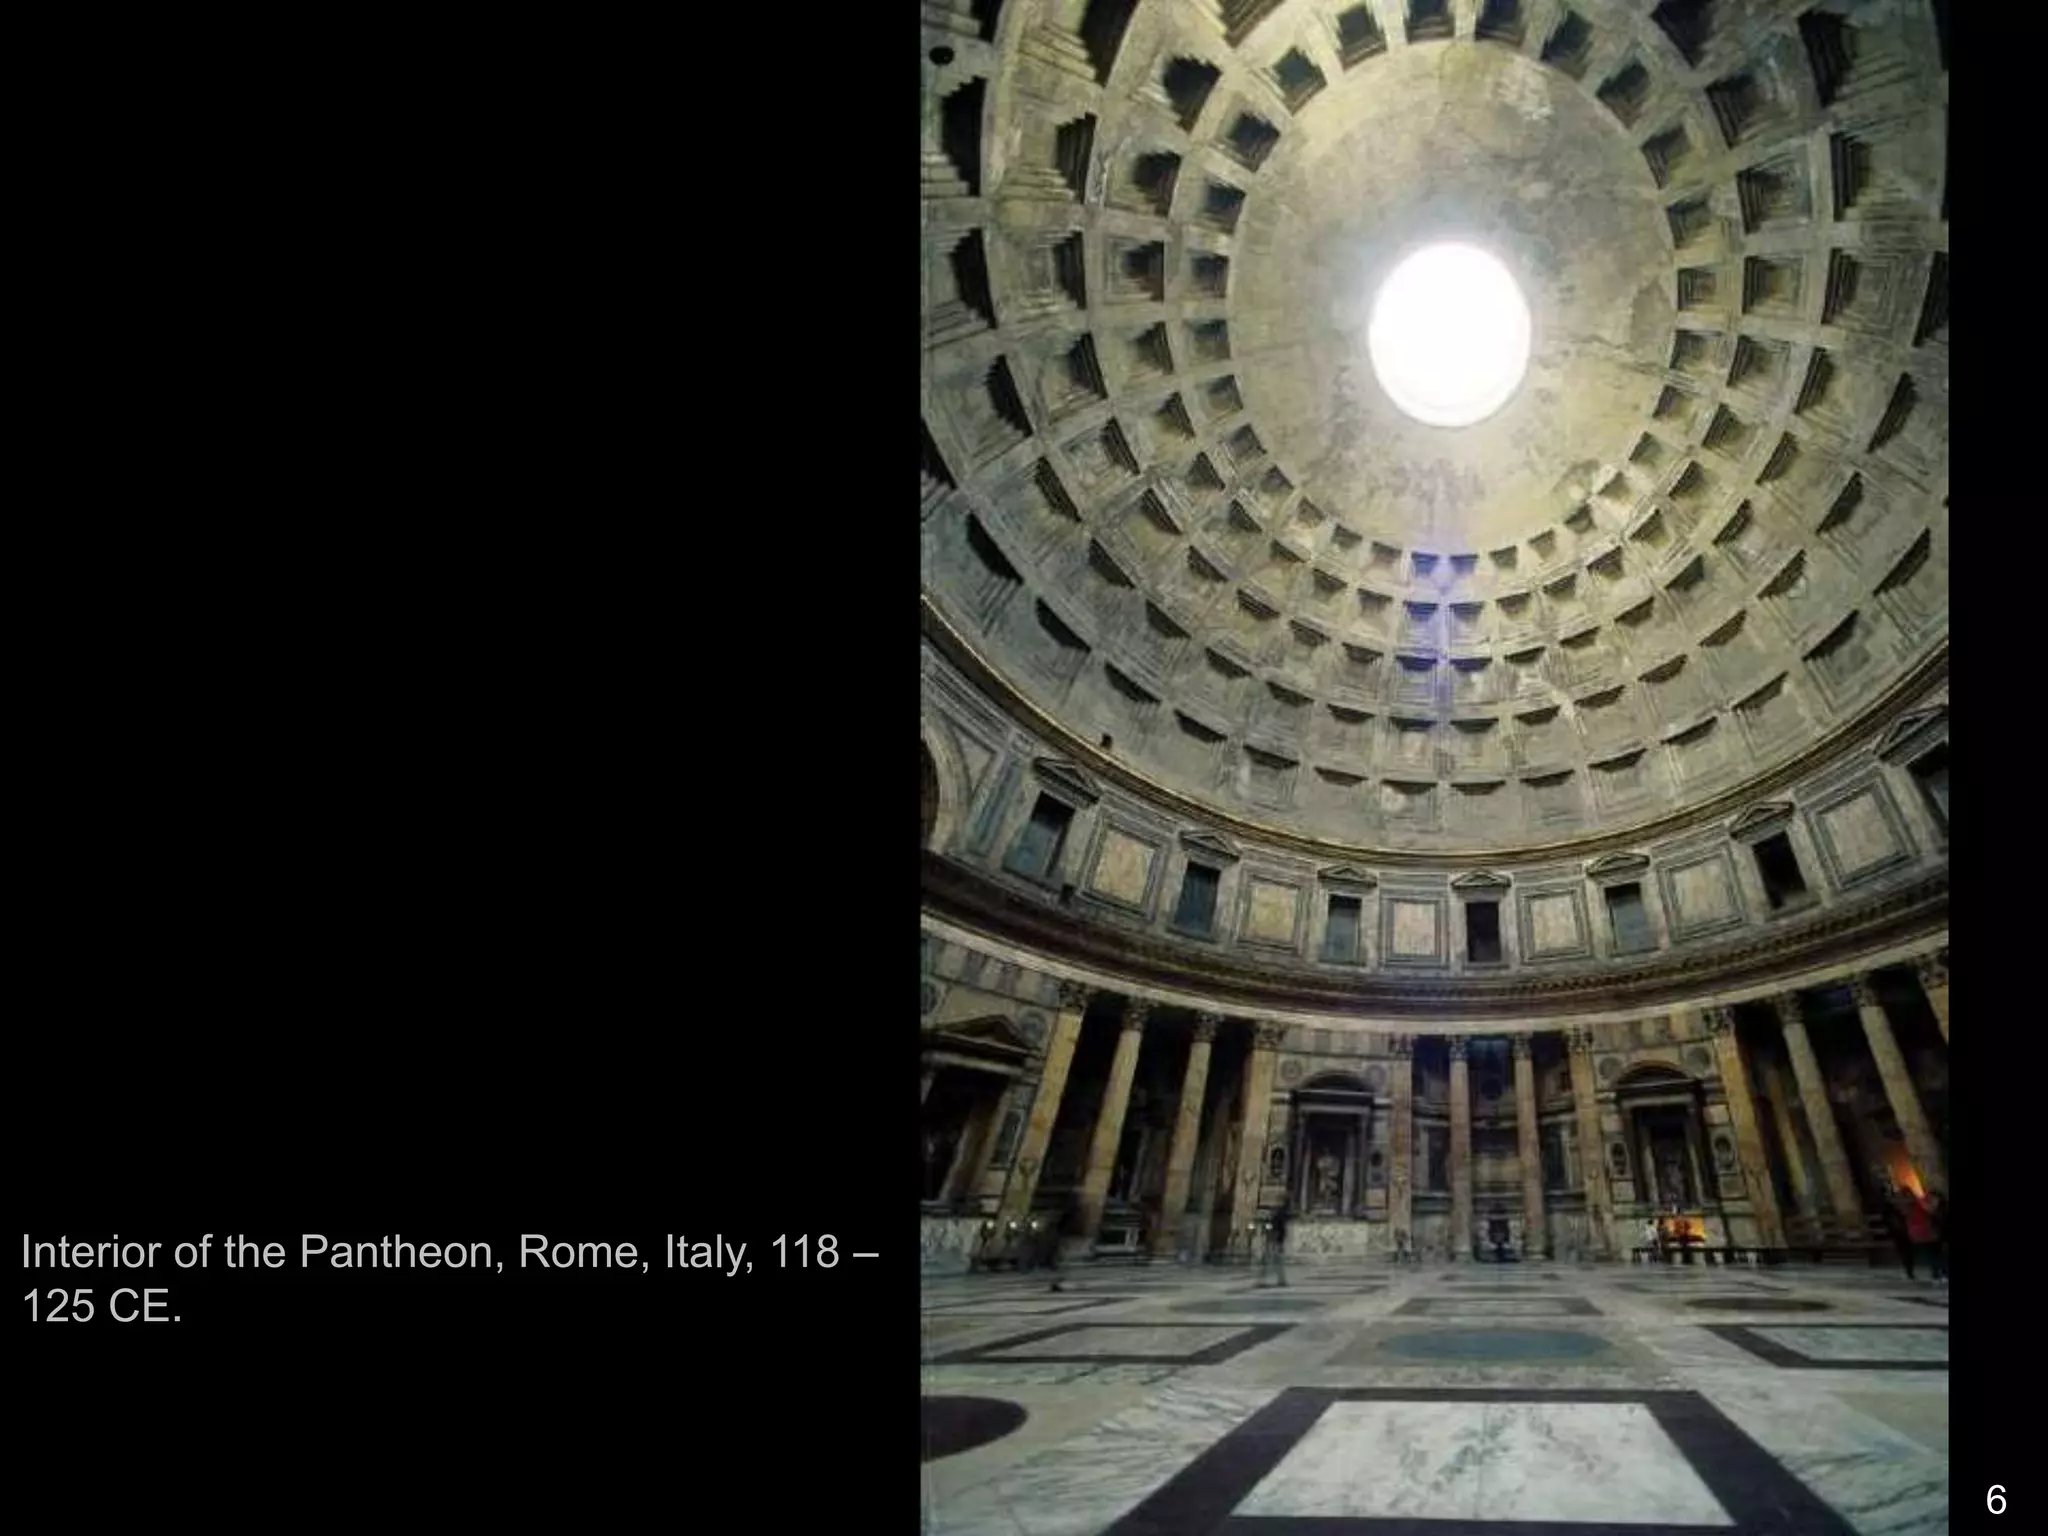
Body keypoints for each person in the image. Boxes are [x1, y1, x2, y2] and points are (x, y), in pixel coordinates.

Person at [1902, 1189, 1936, 1281]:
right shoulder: (1918, 1203)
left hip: (1915, 1231)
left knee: (1913, 1253)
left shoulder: (1905, 1206)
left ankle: (1910, 1272)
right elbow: (1930, 1210)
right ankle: (1935, 1273)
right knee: (1932, 1252)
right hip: (1923, 1230)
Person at [1258, 1201, 1290, 1287]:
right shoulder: (1277, 1219)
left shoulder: (1276, 1219)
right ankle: (1280, 1280)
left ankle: (1265, 1280)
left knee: (1271, 1261)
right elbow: (1275, 1231)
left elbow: (1274, 1231)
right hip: (1275, 1243)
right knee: (1276, 1262)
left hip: (1274, 1243)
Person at [1923, 1190, 1948, 1284]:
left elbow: (1943, 1224)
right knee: (1933, 1255)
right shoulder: (1928, 1210)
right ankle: (1936, 1274)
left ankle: (1944, 1274)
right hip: (1931, 1236)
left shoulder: (1943, 1210)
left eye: (1932, 1198)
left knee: (1943, 1255)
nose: (1931, 1200)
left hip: (1942, 1236)